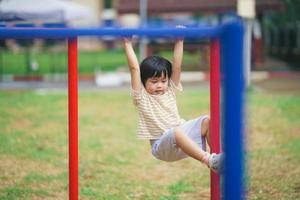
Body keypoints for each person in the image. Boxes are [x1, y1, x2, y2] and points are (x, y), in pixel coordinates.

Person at [123, 30, 223, 173]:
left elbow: (176, 66)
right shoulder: (141, 96)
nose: (160, 85)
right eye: (154, 81)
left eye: (163, 81)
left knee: (207, 121)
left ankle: (220, 159)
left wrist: (179, 40)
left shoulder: (169, 89)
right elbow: (134, 69)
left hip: (181, 138)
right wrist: (127, 42)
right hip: (161, 146)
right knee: (175, 132)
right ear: (143, 82)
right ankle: (209, 160)